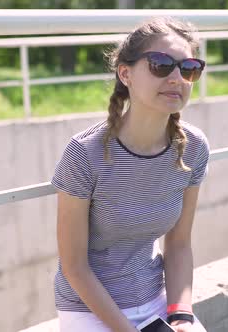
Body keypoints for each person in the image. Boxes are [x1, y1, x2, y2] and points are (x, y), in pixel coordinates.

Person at [51, 16, 210, 332]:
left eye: (189, 68)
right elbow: (74, 266)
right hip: (90, 309)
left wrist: (180, 316)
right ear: (126, 73)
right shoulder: (85, 153)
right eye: (161, 64)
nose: (177, 77)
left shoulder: (193, 148)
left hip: (155, 299)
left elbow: (178, 245)